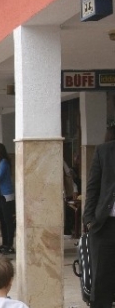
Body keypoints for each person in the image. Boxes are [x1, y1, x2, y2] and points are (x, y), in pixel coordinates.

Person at [83, 125, 115, 308]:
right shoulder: (104, 151)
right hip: (105, 225)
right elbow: (93, 187)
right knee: (101, 280)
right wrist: (89, 220)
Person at [0, 143, 16, 255]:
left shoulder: (4, 162)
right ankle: (4, 243)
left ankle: (9, 244)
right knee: (2, 221)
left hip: (6, 195)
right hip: (0, 195)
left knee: (8, 221)